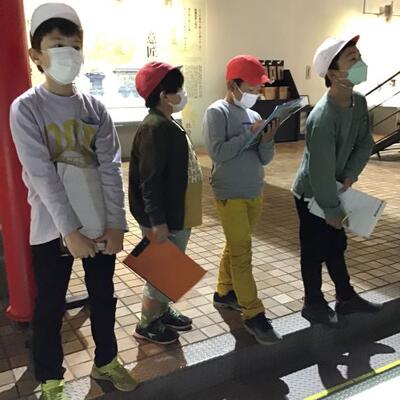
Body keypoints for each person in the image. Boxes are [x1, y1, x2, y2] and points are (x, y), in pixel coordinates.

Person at [9, 3, 137, 399]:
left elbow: (110, 170)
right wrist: (69, 231)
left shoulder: (95, 109)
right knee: (49, 305)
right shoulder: (26, 108)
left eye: (75, 45)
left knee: (104, 297)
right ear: (37, 55)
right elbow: (42, 176)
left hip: (99, 224)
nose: (68, 53)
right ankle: (51, 378)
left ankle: (106, 361)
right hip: (53, 229)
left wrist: (116, 224)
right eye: (57, 45)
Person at [292, 34, 383, 327]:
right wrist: (330, 209)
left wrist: (351, 174)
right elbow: (319, 170)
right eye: (351, 59)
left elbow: (365, 143)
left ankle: (345, 296)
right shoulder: (322, 117)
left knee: (336, 243)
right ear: (332, 74)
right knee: (314, 249)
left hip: (335, 187)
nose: (360, 63)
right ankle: (312, 303)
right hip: (312, 193)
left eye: (359, 57)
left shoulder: (358, 102)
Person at [202, 55, 281, 345]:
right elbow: (218, 153)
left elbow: (264, 158)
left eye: (259, 88)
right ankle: (253, 312)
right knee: (242, 253)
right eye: (252, 87)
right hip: (230, 193)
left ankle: (225, 292)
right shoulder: (217, 112)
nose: (256, 93)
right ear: (232, 85)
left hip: (254, 190)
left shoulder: (254, 115)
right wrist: (248, 135)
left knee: (237, 245)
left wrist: (267, 140)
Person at [129, 61, 203, 344]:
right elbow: (150, 181)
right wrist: (156, 221)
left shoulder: (166, 123)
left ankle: (161, 312)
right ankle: (147, 323)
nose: (183, 94)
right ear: (164, 95)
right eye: (179, 89)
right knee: (161, 270)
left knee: (169, 268)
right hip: (164, 216)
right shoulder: (155, 128)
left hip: (177, 212)